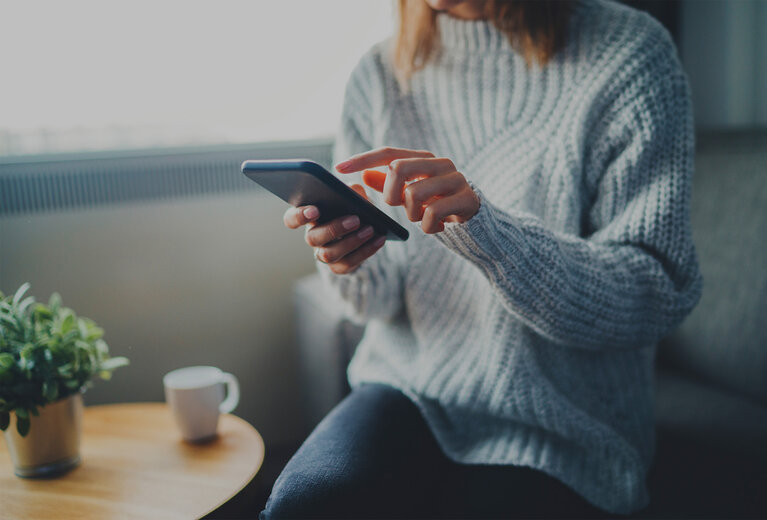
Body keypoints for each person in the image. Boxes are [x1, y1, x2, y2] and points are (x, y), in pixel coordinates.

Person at [263, 0, 702, 517]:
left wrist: (488, 234)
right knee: (301, 506)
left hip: (563, 420)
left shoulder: (629, 53)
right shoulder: (381, 71)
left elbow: (655, 292)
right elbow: (377, 300)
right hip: (412, 387)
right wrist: (346, 256)